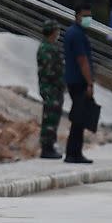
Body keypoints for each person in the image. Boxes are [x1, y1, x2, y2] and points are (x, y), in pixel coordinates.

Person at [63, 3, 95, 164]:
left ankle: (74, 152)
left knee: (79, 117)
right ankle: (73, 153)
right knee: (79, 118)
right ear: (77, 16)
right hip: (79, 81)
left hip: (73, 80)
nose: (88, 19)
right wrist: (90, 83)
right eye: (85, 15)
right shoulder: (76, 35)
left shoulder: (74, 33)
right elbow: (82, 61)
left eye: (90, 15)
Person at [37, 19, 65, 159]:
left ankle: (50, 145)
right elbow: (50, 71)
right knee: (50, 118)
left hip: (55, 88)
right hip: (50, 89)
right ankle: (46, 147)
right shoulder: (46, 48)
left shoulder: (50, 47)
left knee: (54, 117)